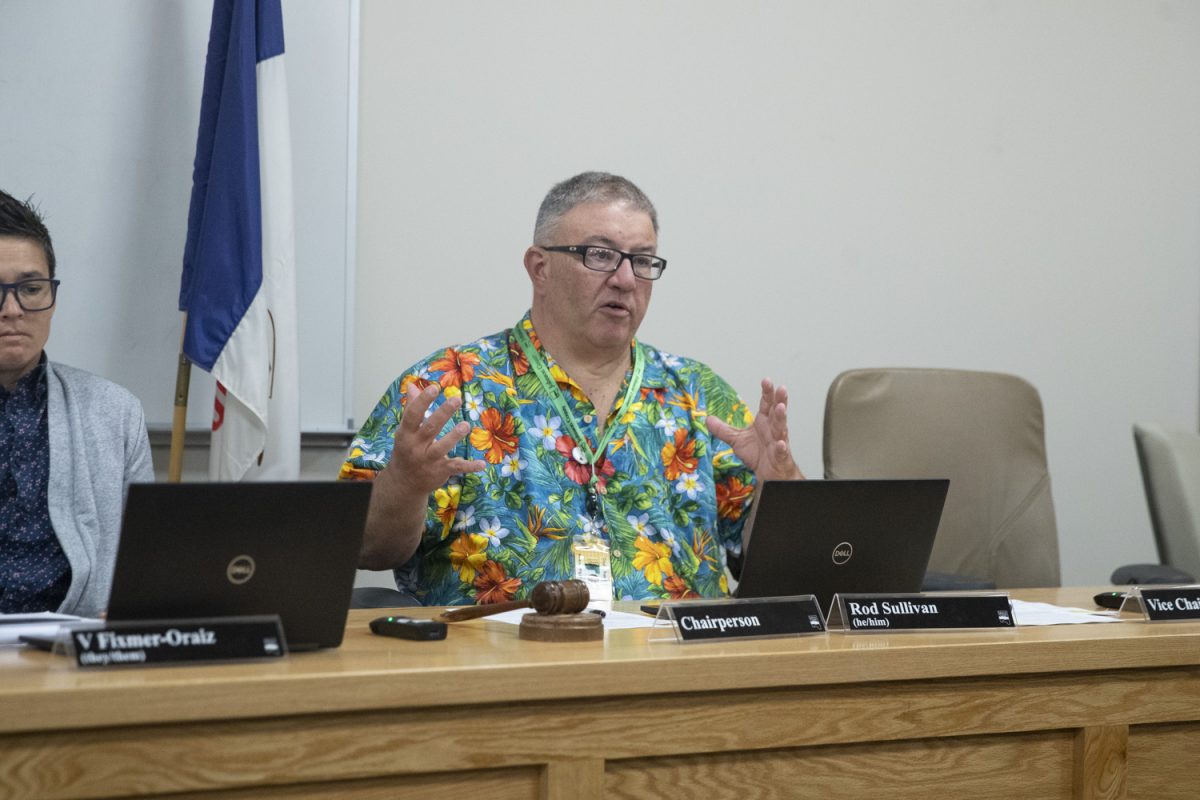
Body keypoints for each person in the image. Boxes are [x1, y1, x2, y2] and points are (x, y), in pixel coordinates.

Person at [341, 172, 802, 605]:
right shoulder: (449, 384)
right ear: (539, 268)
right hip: (504, 668)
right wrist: (405, 483)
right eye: (599, 255)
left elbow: (774, 569)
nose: (625, 279)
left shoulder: (698, 393)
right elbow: (364, 548)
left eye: (642, 261)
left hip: (681, 669)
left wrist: (778, 492)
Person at [0, 190, 153, 616]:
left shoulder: (114, 412)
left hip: (73, 651)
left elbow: (141, 561)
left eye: (31, 288)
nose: (12, 309)